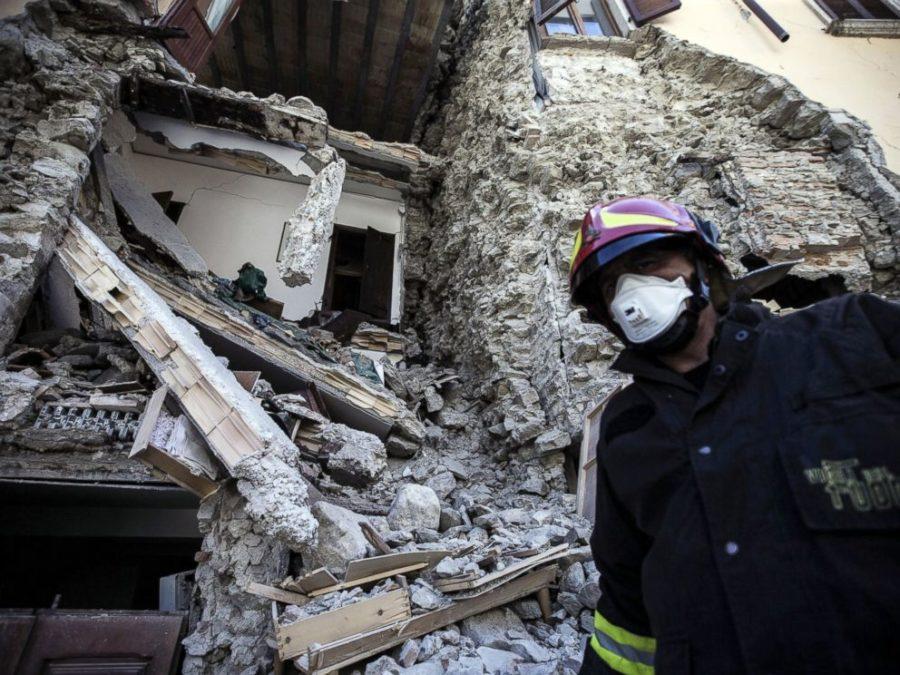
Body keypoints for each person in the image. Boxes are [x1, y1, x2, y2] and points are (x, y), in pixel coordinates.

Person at [569, 196, 900, 675]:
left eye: (646, 263)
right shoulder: (626, 430)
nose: (630, 294)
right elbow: (627, 605)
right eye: (610, 287)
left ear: (704, 266)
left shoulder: (848, 338)